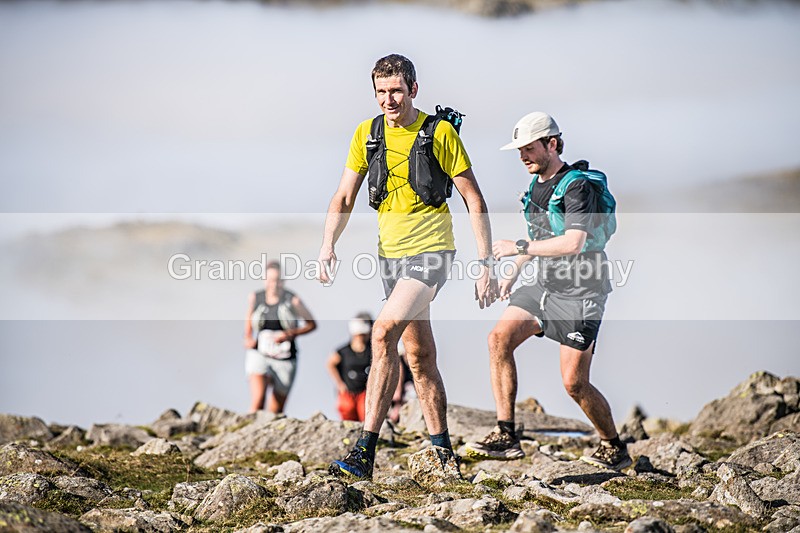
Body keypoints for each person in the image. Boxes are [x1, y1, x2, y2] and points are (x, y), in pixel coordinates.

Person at [318, 54, 498, 479]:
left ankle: (365, 451)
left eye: (396, 90)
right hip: (390, 258)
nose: (388, 99)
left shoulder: (439, 134)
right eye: (381, 92)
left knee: (382, 334)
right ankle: (442, 451)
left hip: (433, 252)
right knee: (419, 355)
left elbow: (474, 198)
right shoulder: (367, 134)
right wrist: (328, 243)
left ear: (413, 89)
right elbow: (344, 196)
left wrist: (485, 262)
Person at [463, 112, 631, 471]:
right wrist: (512, 275)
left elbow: (574, 242)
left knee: (574, 383)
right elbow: (541, 237)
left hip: (583, 290)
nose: (523, 157)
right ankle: (506, 435)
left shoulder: (576, 187)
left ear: (552, 144)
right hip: (544, 284)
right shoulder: (536, 186)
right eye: (519, 150)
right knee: (498, 339)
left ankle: (613, 445)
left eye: (529, 149)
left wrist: (517, 247)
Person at [243, 261, 316, 414]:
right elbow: (249, 319)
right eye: (270, 280)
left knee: (276, 409)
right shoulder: (256, 297)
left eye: (277, 280)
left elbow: (311, 324)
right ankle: (250, 431)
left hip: (285, 357)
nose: (273, 284)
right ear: (264, 280)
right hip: (260, 353)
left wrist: (289, 334)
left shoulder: (293, 300)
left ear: (282, 281)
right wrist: (248, 337)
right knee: (258, 399)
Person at [327, 313, 374, 422]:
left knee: (367, 416)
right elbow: (330, 364)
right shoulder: (343, 351)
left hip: (365, 392)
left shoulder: (372, 351)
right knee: (347, 413)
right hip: (348, 392)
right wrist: (339, 383)